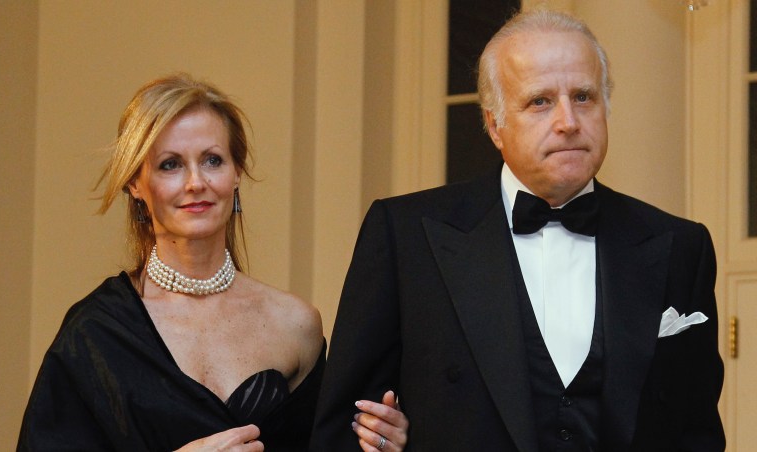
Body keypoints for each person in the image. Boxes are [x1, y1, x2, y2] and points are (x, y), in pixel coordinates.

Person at [311, 9, 725, 451]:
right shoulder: (405, 235)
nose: (568, 121)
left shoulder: (681, 245)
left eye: (583, 97)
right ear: (494, 125)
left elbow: (696, 433)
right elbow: (346, 428)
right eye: (540, 101)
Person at [18, 74, 408, 451]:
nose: (195, 183)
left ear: (237, 172)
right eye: (170, 164)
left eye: (212, 160)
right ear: (135, 184)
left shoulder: (297, 325)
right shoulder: (94, 334)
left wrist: (383, 442)